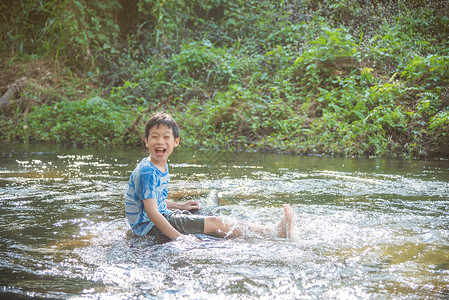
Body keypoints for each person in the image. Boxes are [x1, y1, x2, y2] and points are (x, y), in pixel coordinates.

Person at [124, 113, 296, 241]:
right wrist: (179, 238)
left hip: (152, 221)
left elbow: (152, 200)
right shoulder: (148, 171)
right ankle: (274, 232)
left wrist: (179, 205)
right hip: (149, 227)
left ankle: (244, 229)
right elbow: (153, 212)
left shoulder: (157, 165)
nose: (160, 142)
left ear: (176, 142)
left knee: (201, 212)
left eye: (166, 137)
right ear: (146, 141)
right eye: (154, 137)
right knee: (214, 221)